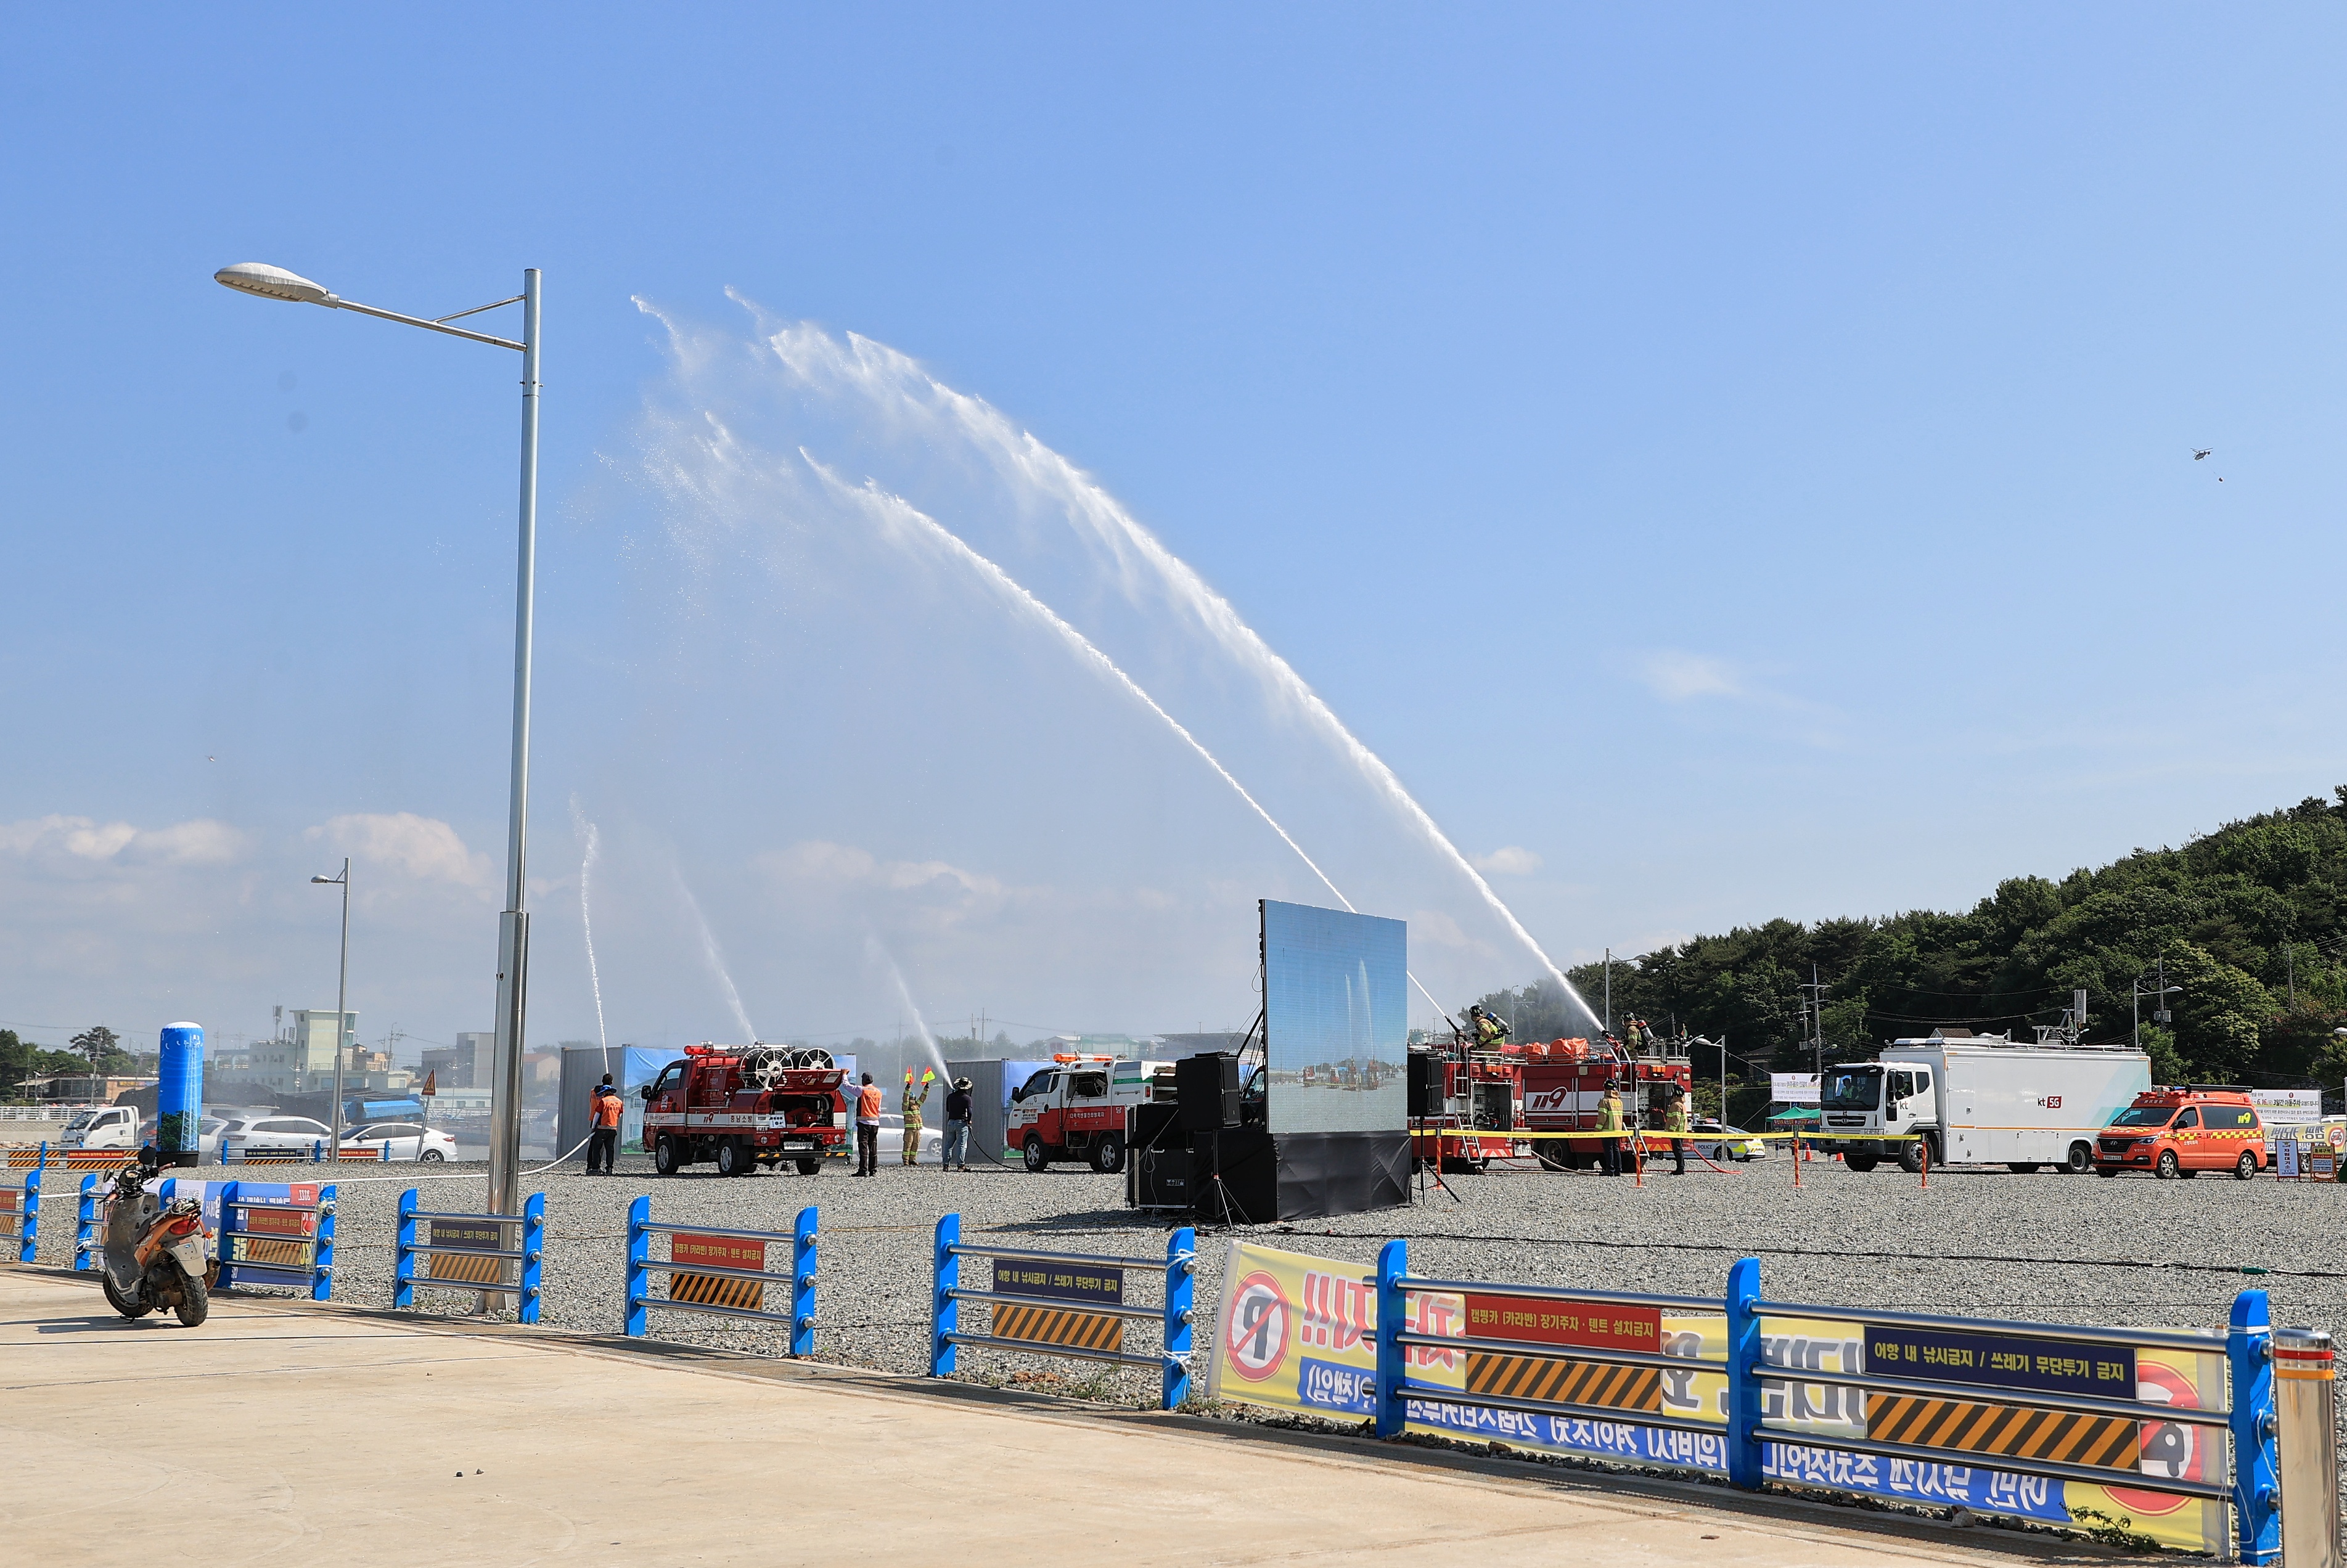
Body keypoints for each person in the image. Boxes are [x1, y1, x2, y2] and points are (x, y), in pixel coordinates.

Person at [586, 1080, 623, 1175]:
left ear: (605, 1093)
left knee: (596, 1148)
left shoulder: (604, 1101)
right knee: (610, 1149)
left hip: (602, 1128)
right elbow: (620, 1114)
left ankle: (595, 1168)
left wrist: (594, 1128)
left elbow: (597, 1115)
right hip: (613, 1129)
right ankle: (609, 1169)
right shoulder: (619, 1102)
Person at [900, 1069, 934, 1166]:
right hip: (910, 1130)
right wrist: (908, 1088)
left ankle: (912, 1160)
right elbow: (905, 1098)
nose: (912, 1100)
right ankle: (906, 1161)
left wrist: (926, 1088)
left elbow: (923, 1098)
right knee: (908, 1145)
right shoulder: (906, 1106)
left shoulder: (917, 1105)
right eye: (912, 1099)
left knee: (915, 1145)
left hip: (917, 1130)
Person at [854, 1073, 883, 1177]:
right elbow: (879, 1110)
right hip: (875, 1123)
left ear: (863, 1081)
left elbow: (847, 1086)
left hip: (864, 1123)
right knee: (873, 1147)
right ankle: (873, 1170)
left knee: (863, 1146)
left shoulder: (861, 1090)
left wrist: (844, 1075)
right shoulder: (879, 1092)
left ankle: (863, 1170)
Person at [942, 1077, 974, 1170]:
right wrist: (969, 1120)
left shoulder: (950, 1097)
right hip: (961, 1123)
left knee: (949, 1145)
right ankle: (961, 1166)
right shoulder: (967, 1098)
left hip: (951, 1122)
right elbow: (970, 1111)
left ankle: (946, 1165)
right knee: (961, 1145)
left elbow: (948, 1109)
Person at [1597, 1085, 1625, 1177]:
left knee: (1609, 1149)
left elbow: (1602, 1118)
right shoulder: (1619, 1102)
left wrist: (1597, 1129)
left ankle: (1610, 1169)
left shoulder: (1605, 1102)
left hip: (1607, 1130)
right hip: (1617, 1130)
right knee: (1616, 1149)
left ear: (1606, 1089)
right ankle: (1618, 1170)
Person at [1663, 1088, 1689, 1175]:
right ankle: (1680, 1168)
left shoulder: (1676, 1105)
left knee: (1677, 1151)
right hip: (1680, 1132)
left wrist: (1672, 1130)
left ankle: (1680, 1169)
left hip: (1676, 1133)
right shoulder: (1681, 1105)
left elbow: (1676, 1119)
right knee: (1679, 1150)